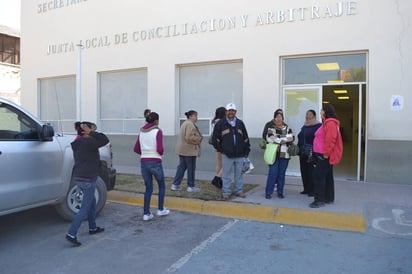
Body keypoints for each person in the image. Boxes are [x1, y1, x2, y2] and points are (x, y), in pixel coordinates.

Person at [65, 121, 109, 246]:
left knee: (92, 203)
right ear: (86, 131)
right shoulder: (90, 143)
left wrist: (89, 132)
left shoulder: (77, 142)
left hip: (79, 178)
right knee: (84, 208)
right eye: (93, 130)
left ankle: (92, 227)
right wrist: (91, 133)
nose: (95, 132)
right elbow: (104, 139)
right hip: (88, 179)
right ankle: (71, 234)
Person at [134, 112, 170, 221]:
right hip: (155, 161)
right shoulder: (157, 131)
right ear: (156, 121)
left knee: (148, 188)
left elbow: (136, 148)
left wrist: (145, 153)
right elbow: (160, 149)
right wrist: (160, 153)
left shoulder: (141, 132)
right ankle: (160, 209)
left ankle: (146, 213)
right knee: (161, 186)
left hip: (144, 162)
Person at [211, 103, 251, 200]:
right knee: (226, 175)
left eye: (233, 110)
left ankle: (239, 191)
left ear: (235, 112)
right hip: (227, 155)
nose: (231, 112)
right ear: (226, 112)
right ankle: (226, 192)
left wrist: (246, 151)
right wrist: (221, 149)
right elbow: (215, 139)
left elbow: (245, 138)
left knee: (239, 175)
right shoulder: (221, 123)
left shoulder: (240, 123)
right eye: (229, 110)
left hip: (240, 154)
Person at [310, 104, 343, 208]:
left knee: (318, 175)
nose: (320, 112)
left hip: (324, 155)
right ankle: (328, 197)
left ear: (325, 112)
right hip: (323, 154)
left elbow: (330, 140)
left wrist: (326, 154)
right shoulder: (327, 123)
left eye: (321, 110)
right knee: (327, 176)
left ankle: (319, 200)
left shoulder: (330, 123)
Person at [264, 110, 294, 199]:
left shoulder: (288, 128)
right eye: (277, 117)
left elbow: (291, 138)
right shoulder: (271, 129)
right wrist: (283, 139)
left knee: (281, 174)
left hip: (285, 155)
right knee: (272, 173)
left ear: (283, 118)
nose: (278, 119)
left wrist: (277, 138)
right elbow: (270, 138)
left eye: (280, 117)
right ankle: (268, 192)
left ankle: (280, 192)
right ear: (274, 119)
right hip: (274, 155)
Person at [170, 110, 203, 192]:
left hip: (183, 150)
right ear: (190, 116)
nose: (197, 118)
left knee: (182, 167)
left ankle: (175, 185)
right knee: (191, 168)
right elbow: (189, 137)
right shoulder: (190, 124)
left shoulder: (185, 123)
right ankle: (191, 186)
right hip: (189, 150)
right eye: (195, 116)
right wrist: (198, 139)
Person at [297, 110, 322, 196]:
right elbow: (300, 137)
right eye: (306, 114)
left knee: (311, 171)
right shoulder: (304, 126)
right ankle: (306, 189)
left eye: (310, 114)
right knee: (304, 170)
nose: (307, 116)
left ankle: (312, 190)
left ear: (314, 116)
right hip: (302, 152)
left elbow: (319, 139)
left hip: (312, 152)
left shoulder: (318, 125)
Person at [210, 106, 226, 189]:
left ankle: (219, 180)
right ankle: (217, 178)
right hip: (223, 145)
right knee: (227, 164)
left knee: (219, 164)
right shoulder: (222, 122)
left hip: (217, 145)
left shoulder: (214, 121)